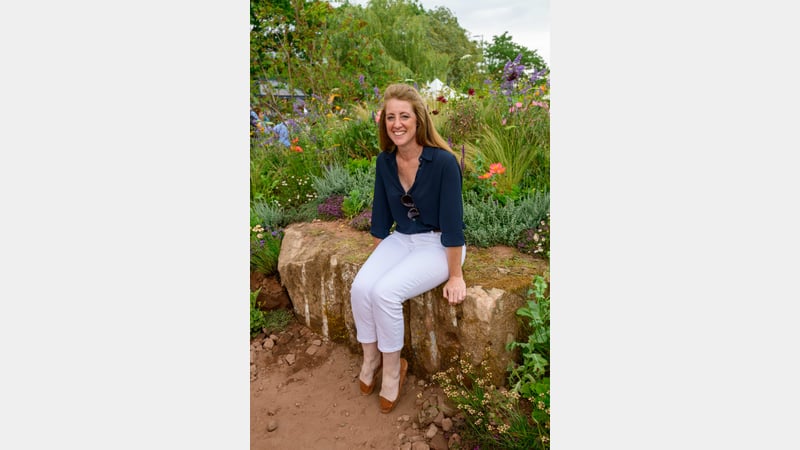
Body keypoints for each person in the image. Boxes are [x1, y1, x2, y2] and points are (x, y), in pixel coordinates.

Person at [350, 83, 467, 414]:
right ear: (383, 123)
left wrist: (455, 275)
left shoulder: (443, 162)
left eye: (404, 116)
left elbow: (453, 226)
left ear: (418, 120)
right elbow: (381, 221)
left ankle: (392, 369)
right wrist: (377, 262)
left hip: (439, 243)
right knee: (362, 287)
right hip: (401, 239)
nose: (396, 124)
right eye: (390, 117)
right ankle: (370, 357)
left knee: (386, 292)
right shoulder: (384, 162)